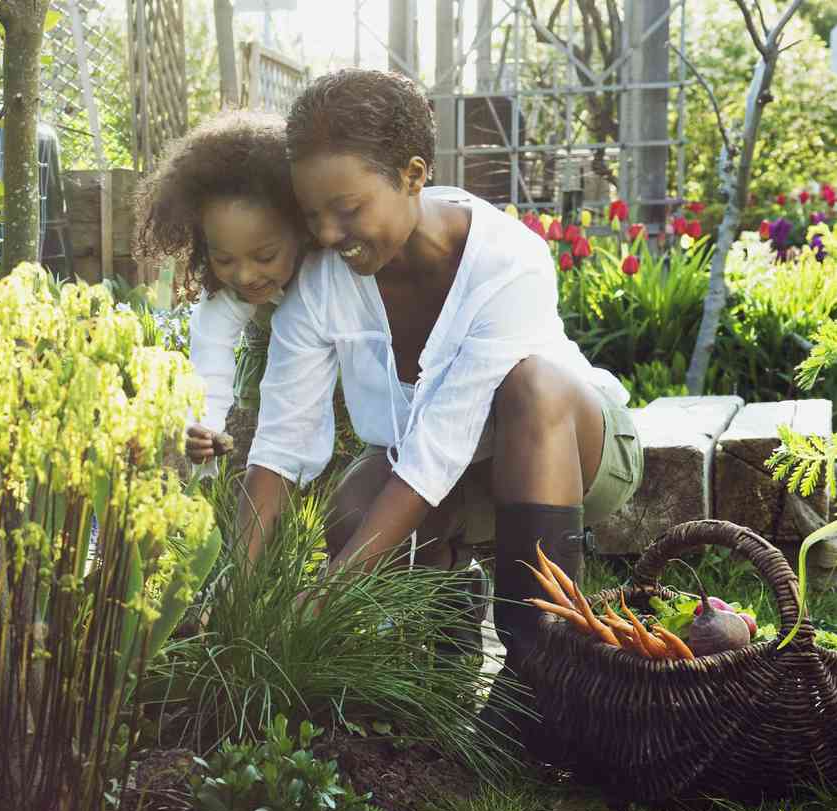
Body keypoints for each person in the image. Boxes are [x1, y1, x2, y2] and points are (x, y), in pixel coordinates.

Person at [239, 70, 643, 746]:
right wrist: (244, 591)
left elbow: (439, 449)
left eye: (347, 208)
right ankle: (443, 639)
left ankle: (539, 679)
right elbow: (279, 442)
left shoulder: (506, 259)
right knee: (350, 504)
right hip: (447, 476)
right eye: (312, 216)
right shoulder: (321, 287)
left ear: (413, 174)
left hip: (567, 453)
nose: (330, 234)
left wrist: (331, 590)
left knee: (533, 385)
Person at [134, 112, 307, 469]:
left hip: (340, 357)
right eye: (223, 259)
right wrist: (203, 426)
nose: (244, 275)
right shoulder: (225, 294)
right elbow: (209, 362)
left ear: (303, 229)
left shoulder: (331, 272)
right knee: (261, 429)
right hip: (269, 348)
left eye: (265, 256)